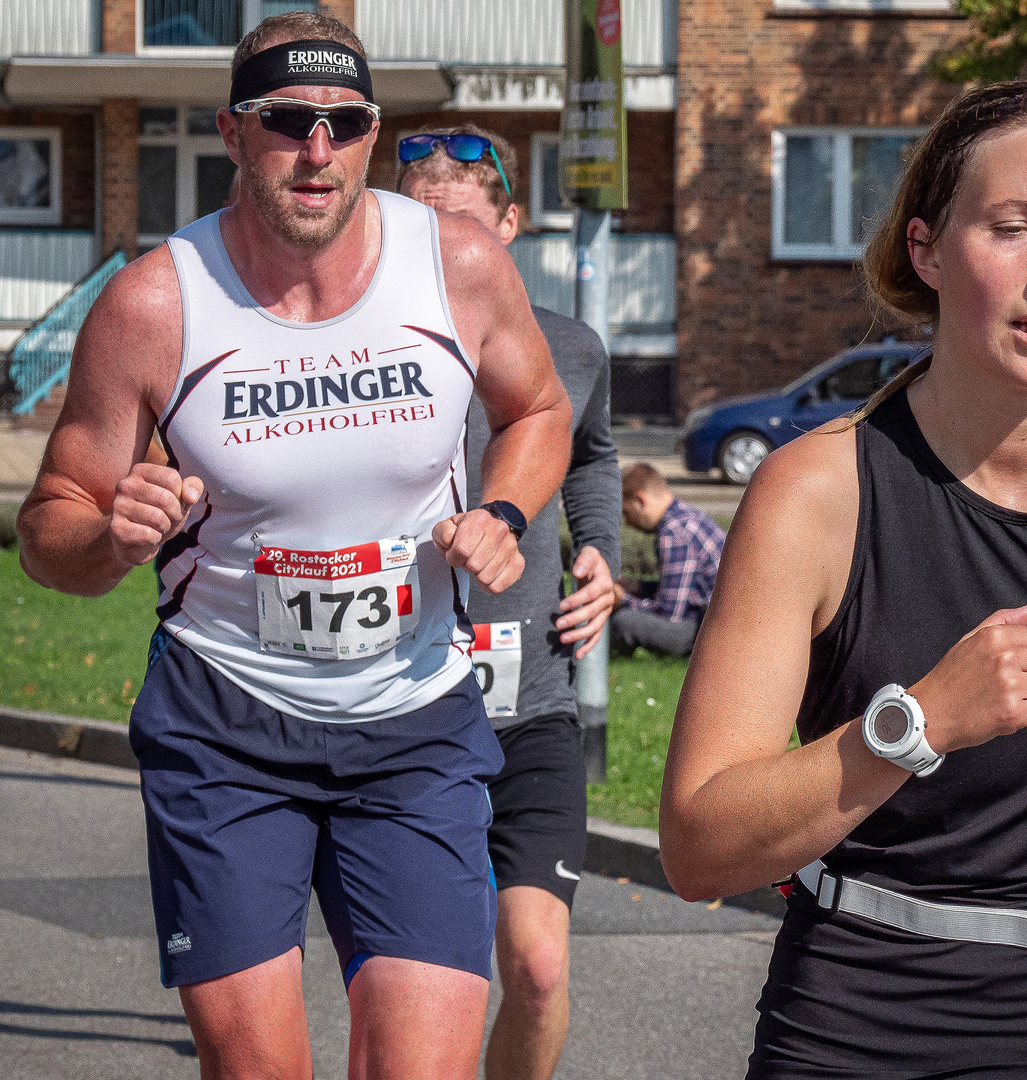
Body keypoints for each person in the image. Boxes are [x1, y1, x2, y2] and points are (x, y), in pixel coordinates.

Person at [659, 79, 1027, 1078]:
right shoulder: (818, 494)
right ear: (927, 248)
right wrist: (913, 726)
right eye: (1014, 227)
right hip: (868, 1012)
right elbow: (698, 846)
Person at [15, 13, 572, 1080]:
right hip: (227, 724)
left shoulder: (453, 266)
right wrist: (110, 535)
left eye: (344, 123)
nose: (317, 151)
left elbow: (539, 409)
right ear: (233, 131)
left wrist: (502, 515)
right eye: (287, 122)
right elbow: (51, 531)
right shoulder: (154, 302)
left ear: (372, 134)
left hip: (413, 719)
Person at [397, 122, 621, 1080]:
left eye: (464, 227)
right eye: (421, 227)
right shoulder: (365, 355)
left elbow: (596, 455)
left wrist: (602, 554)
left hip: (532, 706)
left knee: (534, 965)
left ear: (512, 226)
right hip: (403, 705)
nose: (445, 249)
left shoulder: (570, 349)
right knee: (429, 990)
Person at [611, 462, 724, 657]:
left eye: (627, 513)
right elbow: (685, 591)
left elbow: (669, 613)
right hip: (712, 619)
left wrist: (622, 600)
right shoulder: (687, 517)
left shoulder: (674, 533)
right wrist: (637, 587)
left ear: (640, 500)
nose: (628, 524)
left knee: (624, 621)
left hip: (706, 631)